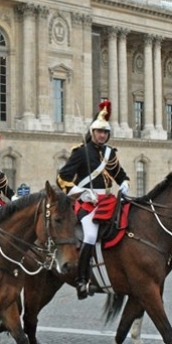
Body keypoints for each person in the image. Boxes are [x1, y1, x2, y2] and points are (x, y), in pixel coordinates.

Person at [57, 99, 130, 300]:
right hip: (87, 203)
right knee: (90, 235)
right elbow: (62, 178)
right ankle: (82, 280)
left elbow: (120, 174)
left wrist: (124, 183)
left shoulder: (110, 154)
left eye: (105, 132)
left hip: (107, 201)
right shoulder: (81, 152)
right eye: (99, 132)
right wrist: (80, 192)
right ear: (92, 132)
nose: (102, 135)